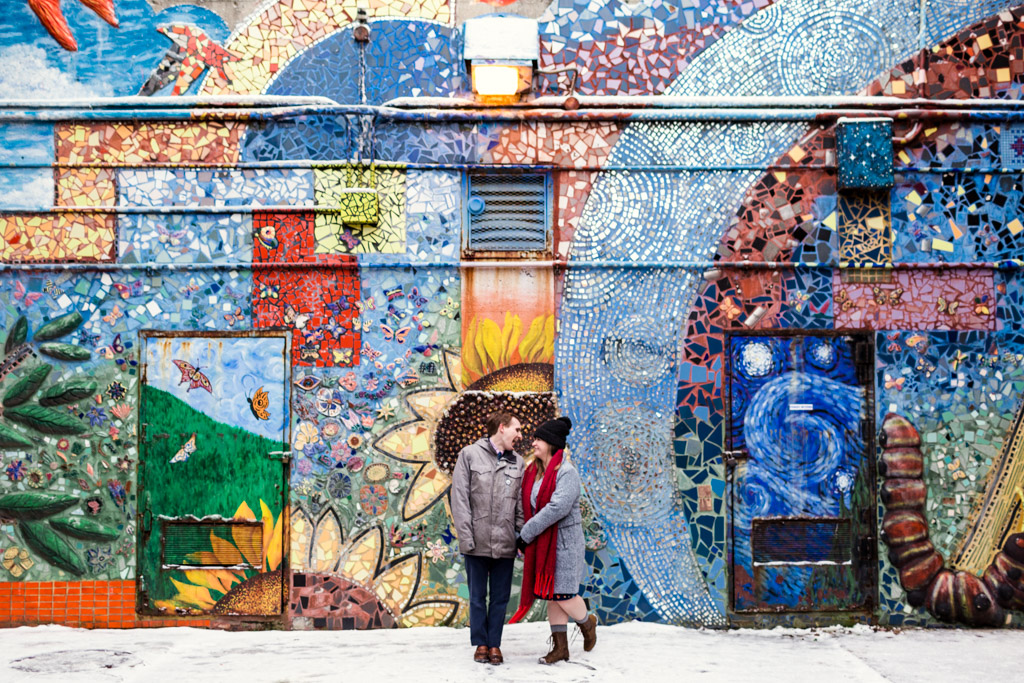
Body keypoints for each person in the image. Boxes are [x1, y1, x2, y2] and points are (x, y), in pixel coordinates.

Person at [510, 416, 597, 664]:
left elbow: (556, 508)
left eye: (538, 439)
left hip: (565, 545)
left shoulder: (567, 473)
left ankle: (587, 623)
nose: (534, 443)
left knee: (565, 594)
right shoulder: (535, 472)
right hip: (545, 544)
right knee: (553, 594)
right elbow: (526, 504)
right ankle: (560, 648)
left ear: (551, 443)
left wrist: (526, 534)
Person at [450, 411, 524, 666]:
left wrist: (520, 537)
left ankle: (495, 644)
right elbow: (459, 499)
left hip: (505, 542)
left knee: (501, 597)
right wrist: (466, 538)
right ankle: (480, 643)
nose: (520, 435)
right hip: (477, 540)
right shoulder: (469, 455)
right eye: (517, 429)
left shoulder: (519, 463)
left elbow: (521, 507)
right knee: (477, 596)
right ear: (502, 428)